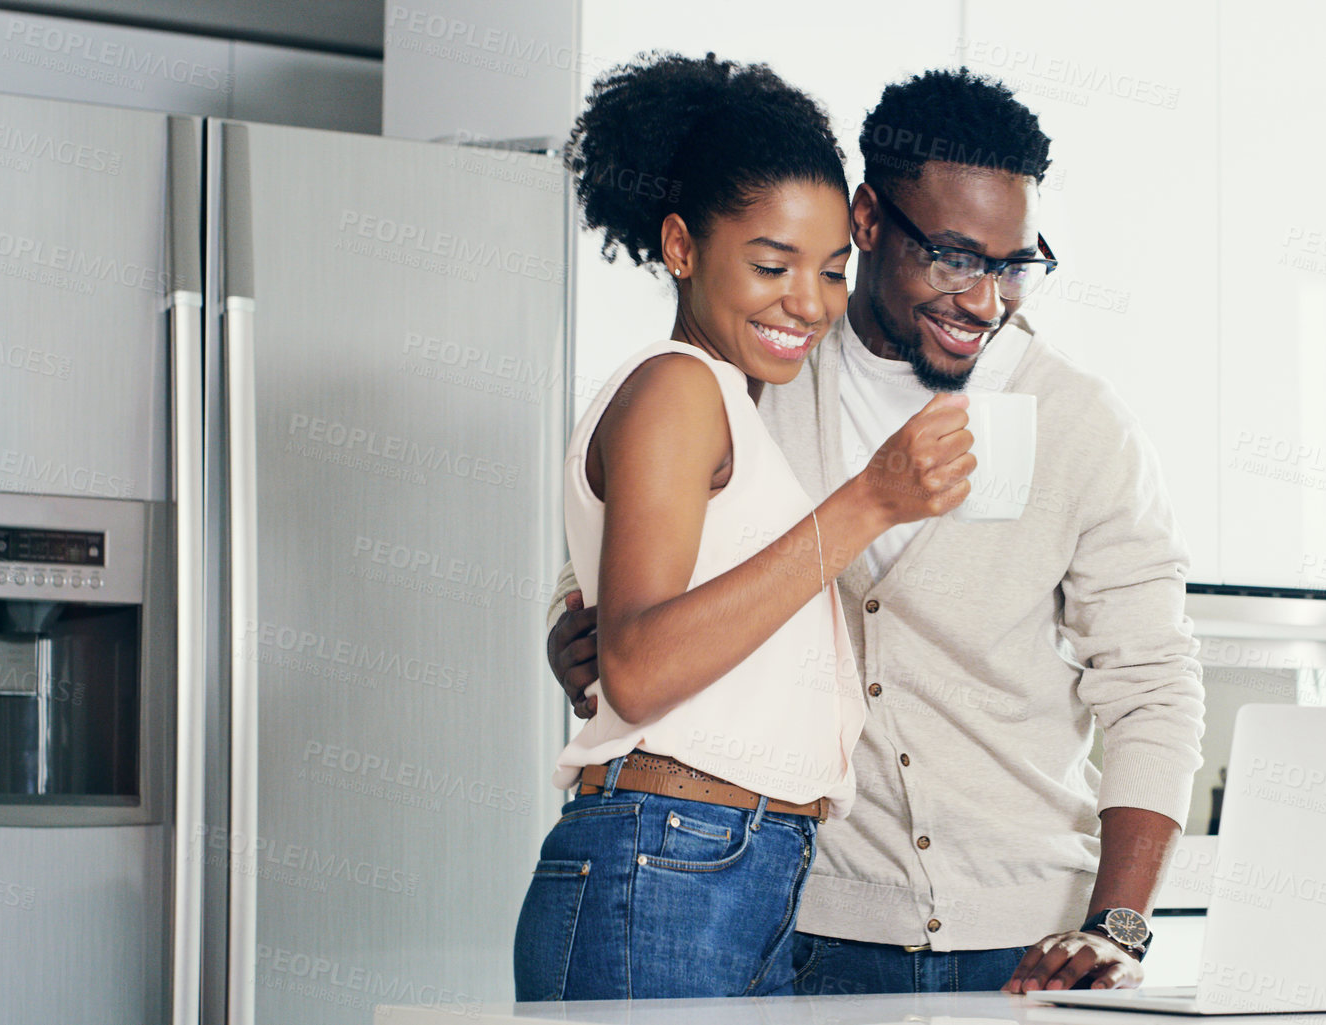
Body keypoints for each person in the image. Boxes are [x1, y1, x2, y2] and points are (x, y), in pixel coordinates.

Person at [546, 68, 1205, 995]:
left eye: (1013, 264)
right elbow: (620, 567)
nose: (982, 299)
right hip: (799, 919)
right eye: (951, 256)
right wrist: (573, 627)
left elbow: (1152, 689)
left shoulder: (1074, 421)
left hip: (1025, 943)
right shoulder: (757, 373)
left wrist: (1119, 927)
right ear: (866, 220)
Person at [513, 52, 977, 1002]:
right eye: (771, 264)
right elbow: (638, 668)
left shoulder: (718, 398)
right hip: (674, 860)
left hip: (723, 865)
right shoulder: (681, 386)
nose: (807, 302)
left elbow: (639, 624)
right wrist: (870, 500)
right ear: (680, 246)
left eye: (831, 270)